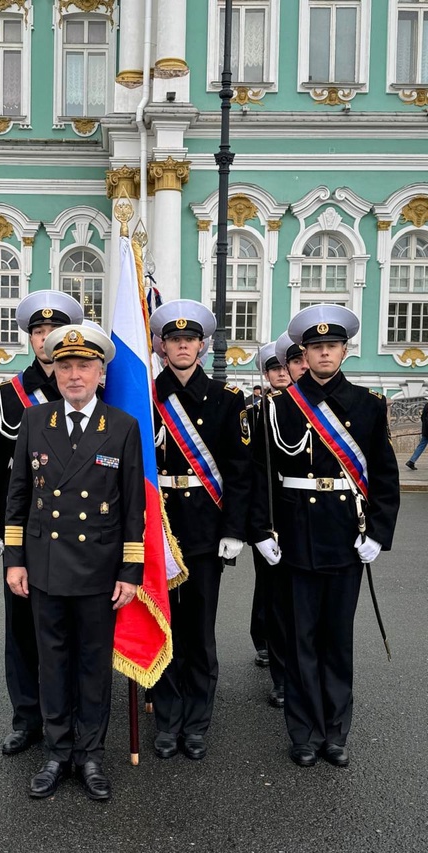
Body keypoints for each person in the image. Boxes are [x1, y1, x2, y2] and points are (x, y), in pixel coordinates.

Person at [250, 305, 400, 768]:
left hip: (344, 539)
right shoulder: (277, 407)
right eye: (315, 348)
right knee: (299, 642)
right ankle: (302, 733)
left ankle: (335, 732)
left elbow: (384, 476)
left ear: (344, 351)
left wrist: (377, 532)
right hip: (293, 538)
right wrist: (260, 531)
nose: (324, 354)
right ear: (304, 354)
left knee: (336, 641)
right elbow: (260, 476)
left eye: (331, 346)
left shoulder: (368, 406)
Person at [3, 324, 145, 800]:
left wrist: (130, 570)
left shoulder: (122, 427)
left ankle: (90, 756)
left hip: (99, 568)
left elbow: (132, 508)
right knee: (52, 662)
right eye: (65, 366)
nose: (74, 375)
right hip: (44, 566)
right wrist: (14, 560)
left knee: (92, 665)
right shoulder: (35, 421)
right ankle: (56, 752)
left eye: (84, 366)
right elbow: (18, 494)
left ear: (101, 374)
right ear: (56, 372)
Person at [0, 290, 84, 757]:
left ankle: (72, 715)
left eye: (52, 332)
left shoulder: (84, 387)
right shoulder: (7, 397)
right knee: (21, 627)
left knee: (74, 628)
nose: (44, 340)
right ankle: (26, 717)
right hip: (25, 530)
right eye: (38, 332)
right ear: (29, 339)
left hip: (78, 533)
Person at [148, 299, 252, 761]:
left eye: (190, 339)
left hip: (206, 531)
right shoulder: (144, 395)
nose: (183, 346)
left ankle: (197, 722)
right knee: (165, 627)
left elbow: (240, 471)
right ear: (163, 347)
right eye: (174, 340)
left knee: (200, 632)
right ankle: (168, 719)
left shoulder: (228, 401)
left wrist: (235, 530)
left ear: (203, 346)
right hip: (159, 528)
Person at [249, 342, 290, 707]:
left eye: (287, 365)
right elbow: (253, 471)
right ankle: (267, 648)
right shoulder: (257, 412)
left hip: (306, 518)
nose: (282, 373)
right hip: (272, 519)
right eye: (274, 368)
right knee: (271, 593)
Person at [405, 400, 428, 470]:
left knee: (421, 446)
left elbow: (422, 417)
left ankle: (411, 461)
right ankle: (411, 461)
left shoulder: (427, 405)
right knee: (421, 445)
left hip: (426, 429)